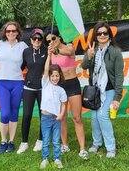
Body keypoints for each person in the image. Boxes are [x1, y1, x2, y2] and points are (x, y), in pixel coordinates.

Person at [81, 22, 124, 158]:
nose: (102, 35)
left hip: (110, 90)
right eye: (99, 33)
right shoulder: (92, 50)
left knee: (103, 115)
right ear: (96, 36)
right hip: (95, 91)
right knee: (94, 117)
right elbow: (84, 66)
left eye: (105, 33)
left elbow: (119, 76)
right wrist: (90, 55)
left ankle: (111, 148)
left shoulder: (115, 52)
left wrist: (117, 98)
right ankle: (97, 143)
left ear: (109, 36)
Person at [45, 27, 88, 160]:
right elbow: (48, 70)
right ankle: (65, 145)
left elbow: (69, 52)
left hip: (72, 84)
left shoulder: (69, 46)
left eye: (53, 38)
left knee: (77, 117)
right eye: (48, 41)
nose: (51, 42)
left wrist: (56, 50)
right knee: (61, 117)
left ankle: (82, 149)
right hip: (59, 86)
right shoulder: (51, 52)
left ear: (59, 37)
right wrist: (49, 54)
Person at [0, 21, 28, 154]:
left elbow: (31, 58)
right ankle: (3, 141)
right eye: (8, 31)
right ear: (4, 32)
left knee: (14, 113)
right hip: (2, 82)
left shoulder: (23, 46)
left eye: (14, 31)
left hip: (17, 82)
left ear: (18, 32)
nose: (11, 33)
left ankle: (11, 141)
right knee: (5, 113)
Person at [17, 28, 47, 154]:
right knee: (27, 115)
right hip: (28, 87)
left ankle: (40, 140)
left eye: (39, 38)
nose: (37, 41)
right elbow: (21, 66)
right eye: (35, 38)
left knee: (43, 116)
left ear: (42, 40)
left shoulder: (47, 50)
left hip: (43, 88)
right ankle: (24, 143)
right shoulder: (26, 52)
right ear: (31, 39)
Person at [39, 47, 67, 169]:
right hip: (45, 117)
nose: (55, 78)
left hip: (56, 119)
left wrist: (61, 114)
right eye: (52, 76)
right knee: (45, 140)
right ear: (48, 76)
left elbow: (64, 103)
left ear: (60, 76)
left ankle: (57, 158)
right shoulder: (45, 84)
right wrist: (49, 56)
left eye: (57, 76)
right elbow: (46, 70)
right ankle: (45, 158)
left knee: (56, 141)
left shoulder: (61, 90)